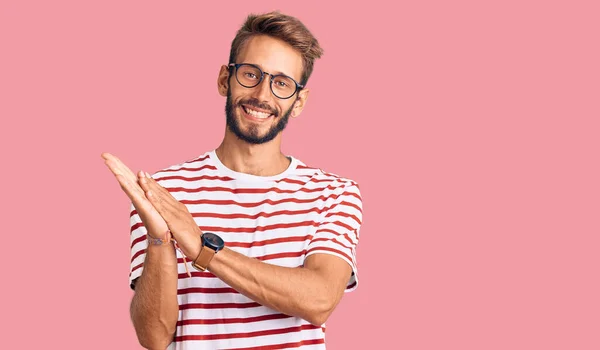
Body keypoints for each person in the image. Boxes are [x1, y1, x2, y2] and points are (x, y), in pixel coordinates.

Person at [102, 11, 363, 350]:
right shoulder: (162, 193)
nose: (262, 95)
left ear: (299, 101)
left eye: (282, 83)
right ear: (225, 79)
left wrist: (202, 249)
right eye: (251, 74)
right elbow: (154, 337)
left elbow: (319, 300)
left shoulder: (333, 194)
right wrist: (160, 238)